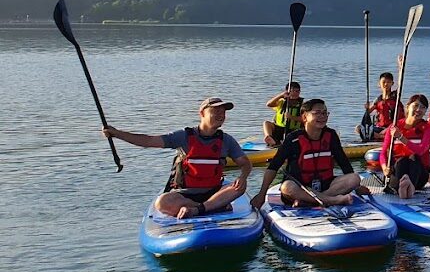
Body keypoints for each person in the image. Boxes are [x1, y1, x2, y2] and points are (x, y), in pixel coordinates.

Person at [104, 97, 250, 218]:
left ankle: (199, 209)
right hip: (184, 196)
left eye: (223, 112)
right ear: (202, 113)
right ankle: (209, 208)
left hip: (214, 193)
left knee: (239, 188)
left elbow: (245, 163)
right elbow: (149, 141)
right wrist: (118, 134)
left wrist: (242, 177)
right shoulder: (184, 136)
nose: (221, 115)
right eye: (215, 110)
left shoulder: (227, 140)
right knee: (162, 202)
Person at [251, 98, 362, 209]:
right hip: (301, 187)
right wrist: (261, 194)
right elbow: (273, 166)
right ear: (304, 117)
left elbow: (344, 162)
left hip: (326, 186)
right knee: (287, 187)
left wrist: (357, 187)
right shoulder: (293, 139)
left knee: (354, 178)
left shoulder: (331, 135)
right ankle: (331, 200)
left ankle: (314, 201)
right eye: (317, 113)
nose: (322, 116)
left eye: (325, 113)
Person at [379, 94, 430, 199]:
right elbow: (383, 153)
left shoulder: (428, 128)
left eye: (423, 107)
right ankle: (403, 185)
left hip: (418, 174)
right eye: (416, 105)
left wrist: (401, 137)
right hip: (397, 170)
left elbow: (420, 150)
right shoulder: (394, 127)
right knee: (402, 161)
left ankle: (410, 187)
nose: (418, 110)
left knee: (414, 157)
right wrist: (384, 168)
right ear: (408, 107)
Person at [357, 71, 399, 140]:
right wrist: (367, 108)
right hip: (379, 127)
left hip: (390, 127)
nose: (386, 84)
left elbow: (400, 85)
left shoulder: (395, 98)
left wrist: (400, 69)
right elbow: (368, 112)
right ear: (379, 84)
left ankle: (380, 136)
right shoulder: (378, 99)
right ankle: (379, 136)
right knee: (359, 128)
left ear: (392, 83)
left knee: (390, 130)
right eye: (384, 82)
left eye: (388, 82)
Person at [262, 81, 303, 147]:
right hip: (280, 128)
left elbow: (305, 119)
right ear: (288, 92)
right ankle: (269, 138)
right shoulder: (282, 102)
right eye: (293, 91)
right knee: (266, 123)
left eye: (297, 91)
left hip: (293, 130)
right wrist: (281, 95)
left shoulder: (302, 105)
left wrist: (291, 117)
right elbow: (268, 104)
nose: (295, 93)